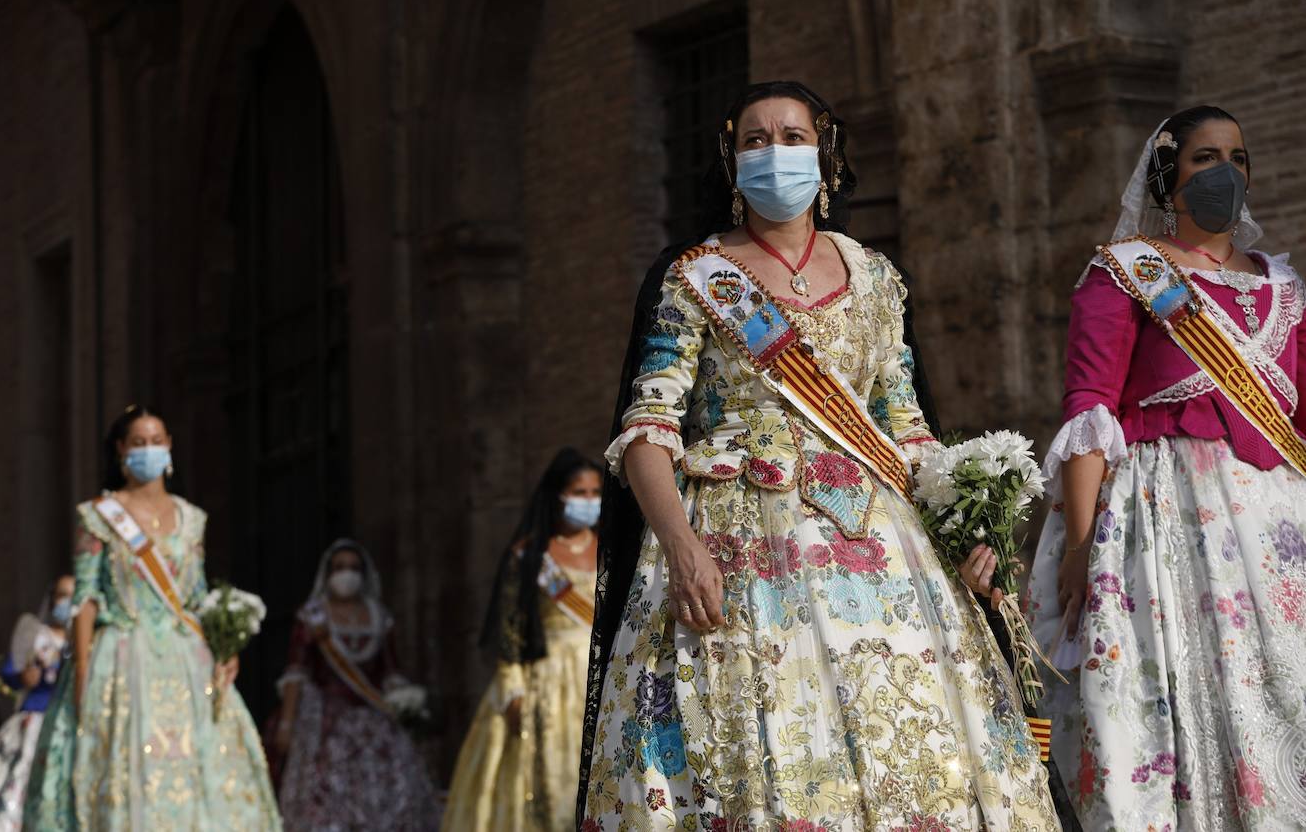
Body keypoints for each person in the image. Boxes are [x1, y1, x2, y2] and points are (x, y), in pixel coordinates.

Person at [577, 81, 1058, 830]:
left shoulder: (874, 277)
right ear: (731, 163)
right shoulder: (696, 276)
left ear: (826, 155)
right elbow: (648, 430)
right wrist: (681, 546)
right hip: (736, 548)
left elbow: (908, 425)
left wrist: (964, 527)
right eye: (756, 141)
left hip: (882, 543)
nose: (775, 154)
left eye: (793, 137)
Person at [1028, 106, 1306, 827]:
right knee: (1189, 699)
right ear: (1166, 175)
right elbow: (1090, 409)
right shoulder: (1124, 274)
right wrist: (1084, 546)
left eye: (1238, 159)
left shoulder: (1285, 287)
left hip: (1279, 530)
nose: (1226, 173)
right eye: (1204, 158)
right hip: (1169, 524)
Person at [24, 405, 281, 830]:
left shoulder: (191, 519)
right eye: (139, 442)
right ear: (121, 450)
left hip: (186, 657)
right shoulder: (100, 516)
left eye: (157, 441)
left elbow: (196, 596)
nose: (150, 450)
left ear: (170, 447)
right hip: (121, 657)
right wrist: (84, 669)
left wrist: (224, 646)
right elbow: (86, 596)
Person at [442, 448, 603, 831]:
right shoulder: (530, 556)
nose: (589, 501)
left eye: (595, 493)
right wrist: (512, 690)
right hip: (547, 680)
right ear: (557, 495)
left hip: (601, 675)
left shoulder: (610, 549)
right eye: (579, 493)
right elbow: (511, 627)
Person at [272, 538, 439, 830]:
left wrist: (407, 706)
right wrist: (287, 723)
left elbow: (390, 670)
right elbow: (296, 670)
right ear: (328, 573)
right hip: (324, 717)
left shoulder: (378, 616)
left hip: (373, 714)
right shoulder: (313, 617)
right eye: (339, 568)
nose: (346, 574)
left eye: (353, 568)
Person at [0, 574, 74, 830]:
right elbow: (9, 675)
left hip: (67, 724)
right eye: (62, 594)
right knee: (16, 785)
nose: (66, 603)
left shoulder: (84, 643)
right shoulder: (35, 634)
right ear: (51, 599)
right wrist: (24, 677)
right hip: (33, 722)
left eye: (72, 596)